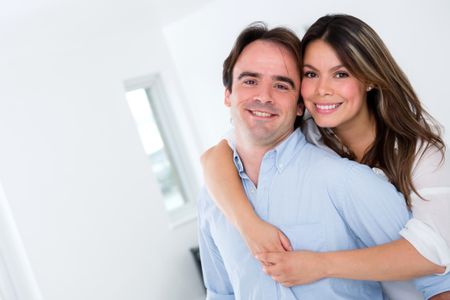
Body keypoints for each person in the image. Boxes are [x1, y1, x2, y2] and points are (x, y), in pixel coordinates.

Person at [200, 15, 450, 299]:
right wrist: (249, 226)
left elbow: (435, 259)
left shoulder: (418, 155)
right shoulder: (309, 134)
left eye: (341, 74)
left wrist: (320, 265)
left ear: (369, 78)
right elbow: (216, 156)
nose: (322, 90)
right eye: (310, 74)